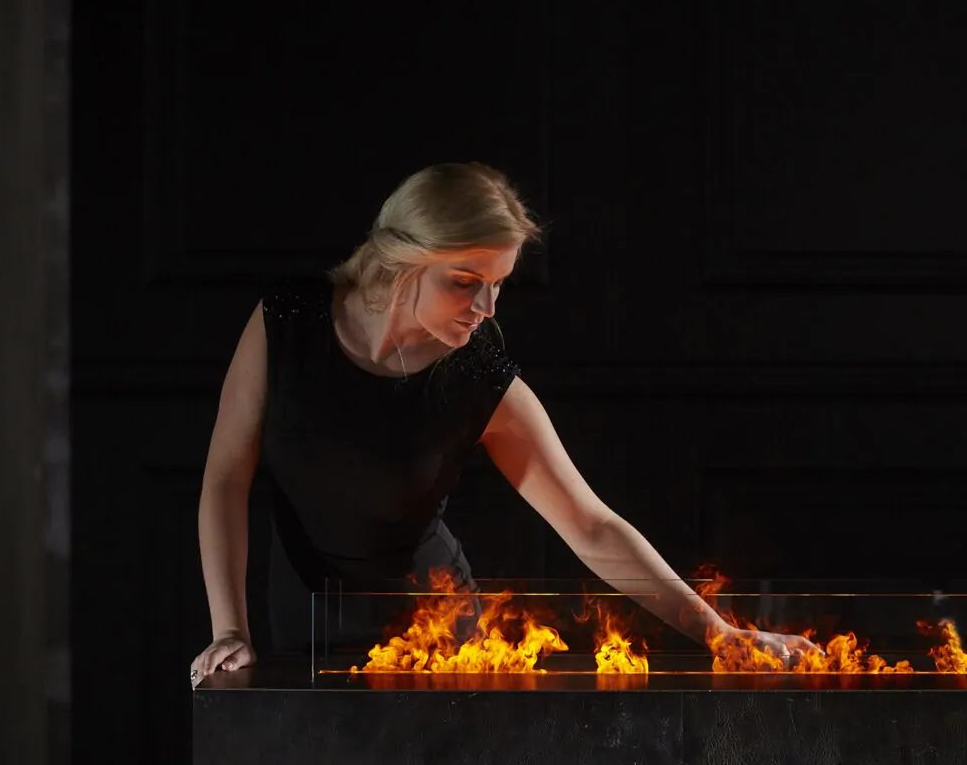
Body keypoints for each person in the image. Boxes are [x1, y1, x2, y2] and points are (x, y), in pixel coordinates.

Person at [189, 163, 815, 686]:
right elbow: (224, 480)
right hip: (299, 625)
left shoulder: (476, 372)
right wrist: (229, 630)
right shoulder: (287, 321)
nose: (486, 309)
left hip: (438, 642)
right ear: (402, 261)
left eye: (498, 284)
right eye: (466, 283)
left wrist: (720, 634)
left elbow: (591, 525)